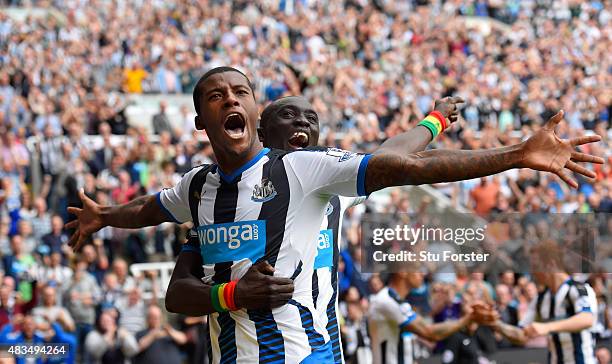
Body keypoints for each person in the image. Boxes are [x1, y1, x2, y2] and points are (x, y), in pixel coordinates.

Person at [66, 67, 603, 363]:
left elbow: (400, 161)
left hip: (310, 356)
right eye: (216, 95)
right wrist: (105, 217)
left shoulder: (310, 173)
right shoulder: (201, 191)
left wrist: (504, 152)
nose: (305, 126)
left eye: (240, 92)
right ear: (204, 119)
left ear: (252, 111)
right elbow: (153, 213)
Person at [170, 93, 464, 363]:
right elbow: (178, 294)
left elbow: (388, 157)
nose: (302, 121)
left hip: (322, 352)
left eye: (312, 119)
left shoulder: (334, 188)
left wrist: (435, 121)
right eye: (288, 115)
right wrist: (233, 294)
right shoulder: (225, 200)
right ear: (260, 134)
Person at [484, 241, 599, 363]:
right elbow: (521, 335)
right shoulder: (541, 298)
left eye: (535, 266)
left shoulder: (579, 289)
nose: (533, 272)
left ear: (550, 265)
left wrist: (547, 327)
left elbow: (587, 319)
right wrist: (494, 323)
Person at [368, 272, 490, 364]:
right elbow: (430, 332)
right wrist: (469, 318)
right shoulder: (386, 301)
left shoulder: (398, 301)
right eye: (416, 269)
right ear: (402, 272)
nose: (422, 274)